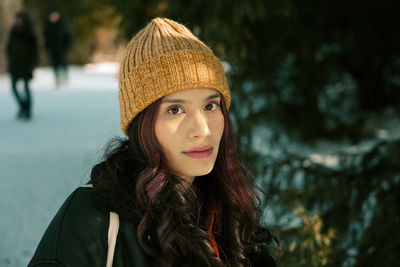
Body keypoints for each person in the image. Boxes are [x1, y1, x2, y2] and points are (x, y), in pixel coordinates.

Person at [28, 18, 277, 266]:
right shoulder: (92, 218)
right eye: (175, 109)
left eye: (210, 106)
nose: (202, 129)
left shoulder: (230, 213)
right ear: (142, 124)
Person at [6, 11, 38, 120]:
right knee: (14, 88)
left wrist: (33, 63)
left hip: (26, 64)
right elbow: (9, 47)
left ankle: (28, 109)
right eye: (17, 19)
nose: (18, 21)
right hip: (15, 64)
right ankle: (22, 106)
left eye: (20, 19)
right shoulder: (13, 31)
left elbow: (34, 50)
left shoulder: (29, 33)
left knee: (26, 87)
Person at [43, 10, 72, 87]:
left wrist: (67, 46)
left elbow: (68, 36)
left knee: (63, 62)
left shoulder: (63, 25)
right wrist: (47, 47)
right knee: (54, 63)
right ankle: (57, 78)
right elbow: (47, 38)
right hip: (53, 49)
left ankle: (65, 76)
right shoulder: (48, 26)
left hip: (62, 48)